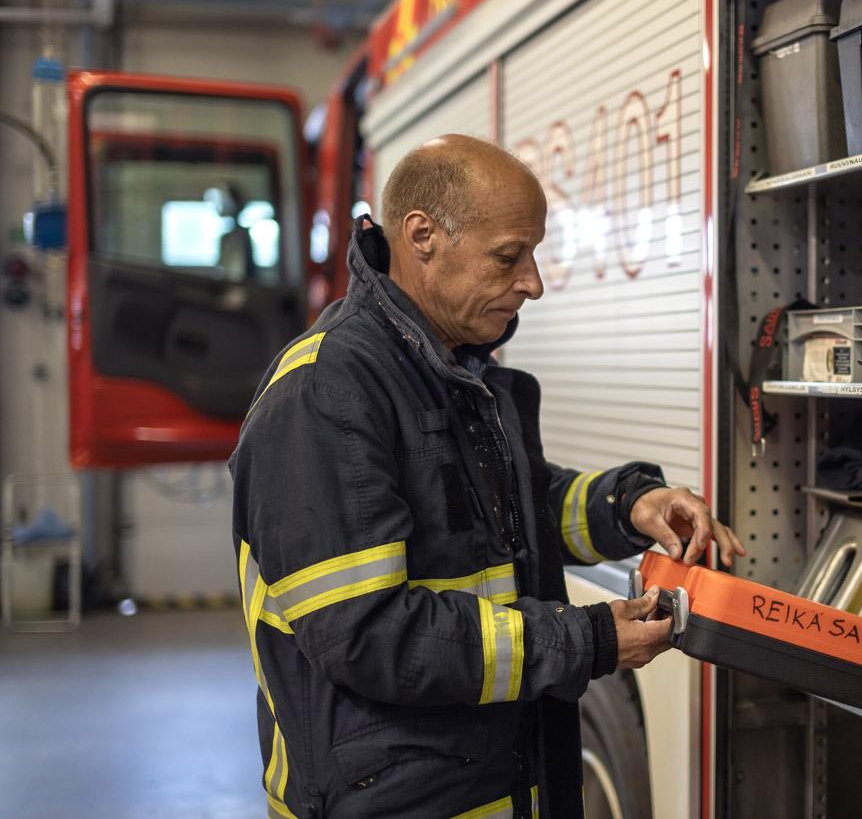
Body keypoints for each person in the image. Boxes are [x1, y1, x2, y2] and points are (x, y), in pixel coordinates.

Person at [230, 134, 744, 819]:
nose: (532, 281)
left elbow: (506, 518)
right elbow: (369, 634)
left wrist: (630, 504)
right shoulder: (326, 393)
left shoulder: (446, 366)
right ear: (422, 237)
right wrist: (584, 639)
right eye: (509, 256)